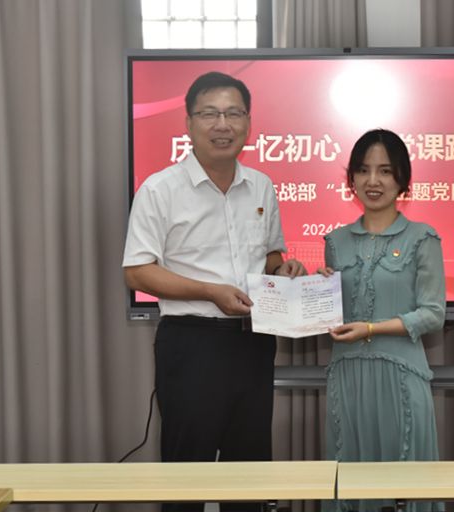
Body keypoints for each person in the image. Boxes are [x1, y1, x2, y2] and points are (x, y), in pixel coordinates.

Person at [122, 71, 305, 512]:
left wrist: (285, 270)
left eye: (233, 113)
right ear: (189, 123)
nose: (223, 124)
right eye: (210, 114)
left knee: (249, 476)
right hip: (192, 345)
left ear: (248, 123)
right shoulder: (160, 189)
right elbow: (138, 272)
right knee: (187, 476)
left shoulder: (261, 185)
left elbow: (269, 258)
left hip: (253, 342)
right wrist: (209, 291)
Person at [319, 129, 446, 512]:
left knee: (403, 487)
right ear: (351, 179)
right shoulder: (335, 241)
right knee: (351, 483)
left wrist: (372, 329)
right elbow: (334, 315)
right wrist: (316, 291)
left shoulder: (422, 238)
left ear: (402, 179)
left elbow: (433, 314)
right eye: (363, 170)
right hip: (348, 378)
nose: (372, 181)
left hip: (401, 377)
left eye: (385, 171)